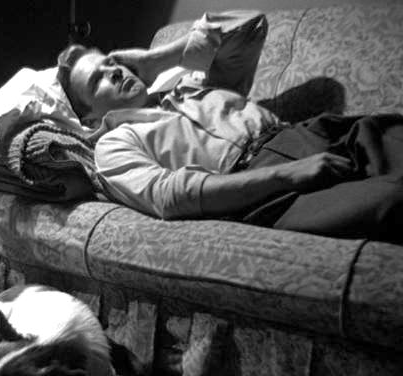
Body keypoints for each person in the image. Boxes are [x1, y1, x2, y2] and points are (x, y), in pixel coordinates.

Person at [56, 11, 403, 243]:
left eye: (111, 63)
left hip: (317, 133)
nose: (114, 72)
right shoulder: (114, 145)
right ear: (89, 118)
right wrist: (285, 175)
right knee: (392, 202)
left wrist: (155, 59)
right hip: (268, 189)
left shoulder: (190, 86)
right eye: (98, 80)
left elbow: (249, 24)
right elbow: (171, 196)